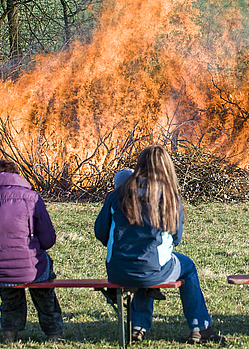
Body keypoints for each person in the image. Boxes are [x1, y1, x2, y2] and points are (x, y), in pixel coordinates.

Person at [94, 146, 225, 344]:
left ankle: (138, 326)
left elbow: (100, 231)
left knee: (145, 262)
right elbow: (176, 237)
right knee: (186, 266)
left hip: (118, 269)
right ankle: (200, 328)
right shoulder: (170, 198)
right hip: (152, 268)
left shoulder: (117, 194)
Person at [0, 160, 64, 343]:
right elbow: (48, 240)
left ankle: (9, 333)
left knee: (9, 288)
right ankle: (54, 332)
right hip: (31, 268)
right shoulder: (32, 198)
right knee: (44, 288)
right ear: (17, 176)